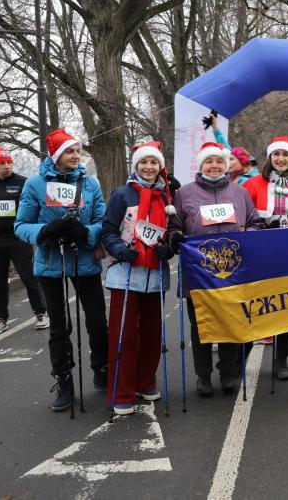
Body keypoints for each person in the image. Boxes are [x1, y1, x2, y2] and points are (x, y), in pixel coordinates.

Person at [14, 129, 108, 412]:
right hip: (50, 262)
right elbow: (21, 225)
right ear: (56, 155)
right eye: (69, 151)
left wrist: (86, 232)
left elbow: (103, 221)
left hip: (84, 258)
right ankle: (64, 379)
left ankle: (101, 368)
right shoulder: (35, 184)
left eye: (78, 150)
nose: (76, 155)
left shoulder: (90, 183)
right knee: (59, 325)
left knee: (97, 321)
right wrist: (45, 230)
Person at [167, 141, 263, 397]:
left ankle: (228, 373)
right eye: (209, 161)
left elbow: (255, 222)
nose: (214, 166)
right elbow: (174, 226)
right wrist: (175, 237)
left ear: (226, 165)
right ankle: (203, 376)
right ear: (201, 165)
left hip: (234, 271)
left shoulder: (239, 192)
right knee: (201, 326)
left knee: (231, 322)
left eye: (219, 161)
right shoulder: (185, 193)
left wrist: (247, 233)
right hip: (198, 272)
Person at [101, 141, 174, 415]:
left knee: (153, 334)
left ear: (160, 166)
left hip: (155, 275)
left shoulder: (167, 197)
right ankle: (121, 391)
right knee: (124, 335)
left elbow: (173, 231)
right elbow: (108, 230)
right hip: (126, 275)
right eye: (144, 162)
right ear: (136, 165)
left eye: (154, 162)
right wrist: (119, 249)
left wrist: (170, 247)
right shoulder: (122, 194)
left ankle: (145, 382)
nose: (148, 167)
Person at [243, 136, 288, 380]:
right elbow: (243, 216)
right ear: (270, 157)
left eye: (285, 155)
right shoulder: (253, 184)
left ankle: (282, 358)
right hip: (262, 249)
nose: (281, 159)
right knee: (258, 303)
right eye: (276, 154)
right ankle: (242, 356)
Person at [0, 148, 48, 335]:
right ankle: (0, 319)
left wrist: (33, 233)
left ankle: (41, 313)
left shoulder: (23, 183)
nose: (7, 166)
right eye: (2, 163)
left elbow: (35, 209)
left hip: (19, 240)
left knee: (30, 278)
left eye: (9, 162)